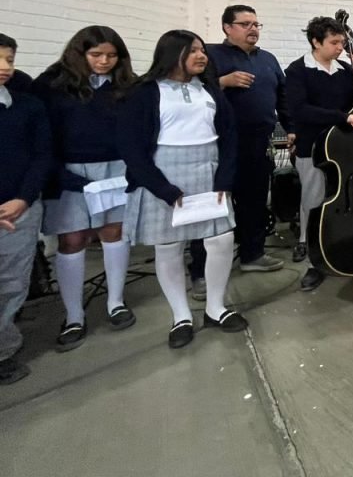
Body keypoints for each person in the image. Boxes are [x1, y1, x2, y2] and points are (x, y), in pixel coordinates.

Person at [118, 31, 244, 349]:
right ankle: (181, 316)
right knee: (169, 247)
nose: (201, 56)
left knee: (221, 240)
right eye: (192, 51)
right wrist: (162, 188)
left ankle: (215, 308)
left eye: (202, 50)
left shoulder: (209, 89)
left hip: (208, 170)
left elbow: (229, 135)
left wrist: (225, 178)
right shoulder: (146, 91)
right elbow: (131, 147)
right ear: (171, 54)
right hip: (164, 174)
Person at [33, 26, 137, 351]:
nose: (104, 61)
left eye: (112, 55)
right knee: (72, 239)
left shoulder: (127, 86)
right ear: (79, 54)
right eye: (96, 55)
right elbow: (41, 135)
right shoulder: (51, 85)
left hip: (115, 169)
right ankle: (74, 315)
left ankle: (116, 301)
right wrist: (60, 174)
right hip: (69, 170)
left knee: (113, 232)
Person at [189, 5, 292, 291]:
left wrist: (291, 128)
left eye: (256, 24)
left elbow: (283, 97)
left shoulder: (268, 59)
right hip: (218, 145)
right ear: (227, 27)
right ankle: (201, 271)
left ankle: (252, 254)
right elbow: (189, 91)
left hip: (258, 143)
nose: (253, 29)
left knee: (255, 202)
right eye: (245, 24)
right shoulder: (210, 56)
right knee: (213, 206)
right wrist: (223, 82)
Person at [285, 17, 353, 292]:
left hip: (344, 147)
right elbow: (300, 110)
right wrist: (343, 117)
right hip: (314, 148)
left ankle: (343, 248)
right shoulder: (298, 70)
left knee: (346, 200)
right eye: (334, 42)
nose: (340, 48)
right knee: (313, 202)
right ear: (316, 41)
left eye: (342, 43)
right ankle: (314, 262)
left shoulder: (346, 69)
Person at [0, 34, 51, 385]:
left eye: (10, 59)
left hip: (19, 209)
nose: (5, 67)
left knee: (11, 283)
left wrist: (23, 198)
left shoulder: (27, 106)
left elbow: (41, 155)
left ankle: (3, 350)